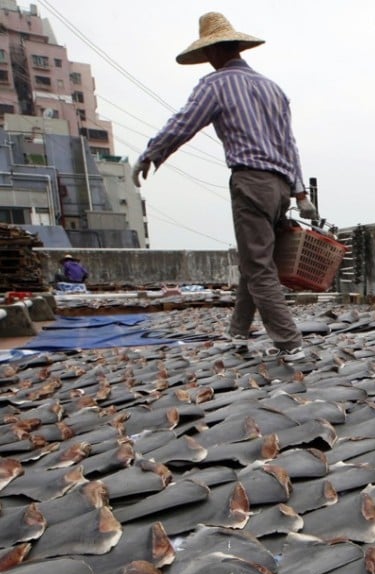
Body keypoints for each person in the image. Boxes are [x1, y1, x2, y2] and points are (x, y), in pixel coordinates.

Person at [131, 12, 317, 362]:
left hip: (251, 181)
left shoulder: (215, 84)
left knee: (259, 267)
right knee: (255, 260)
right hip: (280, 189)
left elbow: (183, 123)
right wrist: (300, 193)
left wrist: (151, 153)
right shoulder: (273, 88)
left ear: (213, 52)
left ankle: (290, 343)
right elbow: (290, 144)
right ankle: (237, 332)